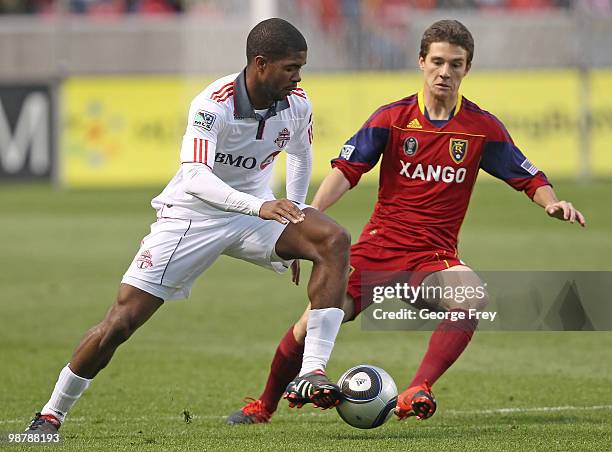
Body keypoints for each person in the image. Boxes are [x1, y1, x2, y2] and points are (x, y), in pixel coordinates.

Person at [227, 19, 586, 424]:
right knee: (310, 323)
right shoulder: (392, 118)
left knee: (471, 298)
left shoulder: (480, 128)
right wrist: (303, 223)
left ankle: (419, 388)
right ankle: (264, 406)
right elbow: (347, 171)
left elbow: (528, 176)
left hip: (433, 257)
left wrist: (551, 202)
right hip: (376, 250)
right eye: (437, 62)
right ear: (421, 61)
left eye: (455, 64)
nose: (444, 72)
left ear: (467, 68)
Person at [25, 18, 351, 435]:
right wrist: (262, 206)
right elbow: (195, 177)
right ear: (261, 63)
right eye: (291, 67)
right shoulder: (211, 104)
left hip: (257, 213)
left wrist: (298, 212)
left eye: (301, 67)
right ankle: (50, 413)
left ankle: (313, 371)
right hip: (192, 217)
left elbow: (302, 155)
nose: (298, 77)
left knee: (333, 239)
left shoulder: (297, 102)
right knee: (121, 322)